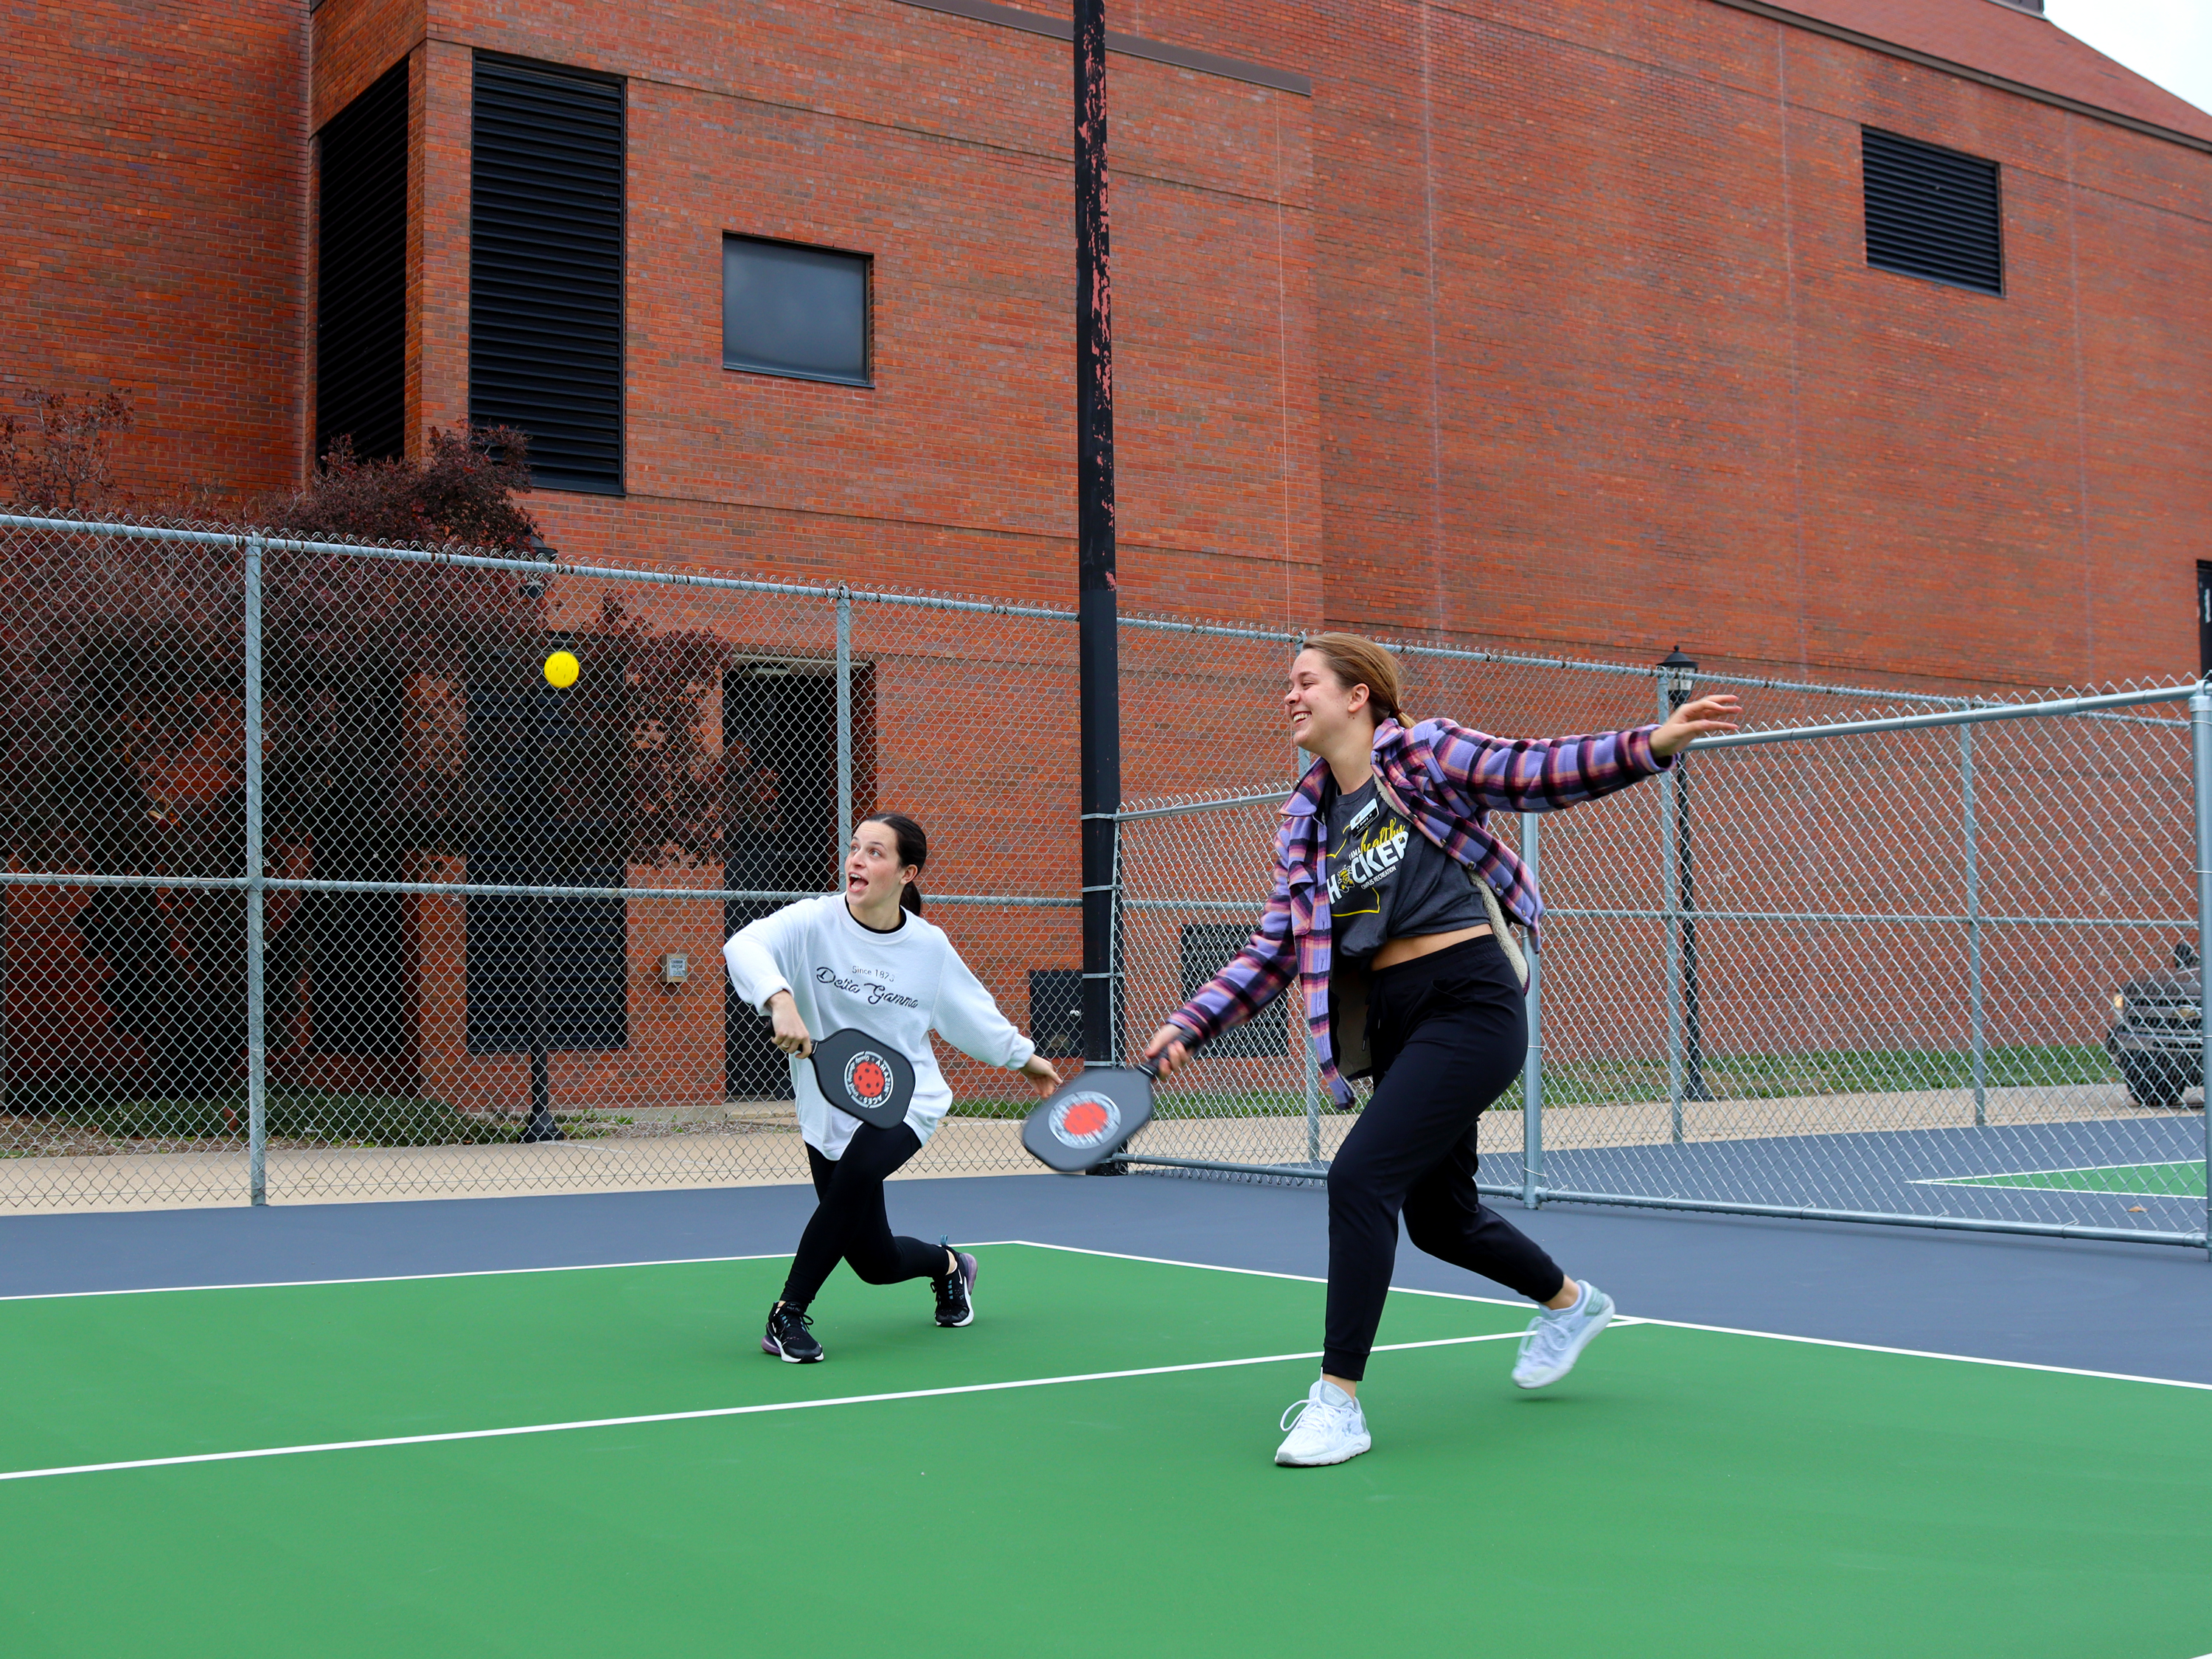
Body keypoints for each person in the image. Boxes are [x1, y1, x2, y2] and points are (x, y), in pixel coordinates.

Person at [1142, 634, 1739, 1465]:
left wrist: (1654, 743)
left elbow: (1533, 770)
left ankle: (1338, 1403)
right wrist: (1191, 1022)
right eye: (1288, 684)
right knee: (1441, 1218)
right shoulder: (1307, 818)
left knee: (1359, 1176)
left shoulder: (1423, 753)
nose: (1290, 695)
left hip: (1469, 1001)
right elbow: (1276, 943)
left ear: (1359, 696)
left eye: (1305, 681)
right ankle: (1571, 1304)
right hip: (1392, 1021)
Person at [724, 811, 1061, 1362]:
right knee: (875, 1263)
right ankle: (949, 1264)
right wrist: (780, 998)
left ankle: (786, 1314)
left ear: (908, 873)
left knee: (857, 1172)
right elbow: (744, 946)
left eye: (876, 852)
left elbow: (970, 1013)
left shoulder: (928, 947)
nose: (858, 859)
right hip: (831, 1108)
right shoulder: (813, 922)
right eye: (856, 848)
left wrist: (1024, 1059)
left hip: (908, 1098)